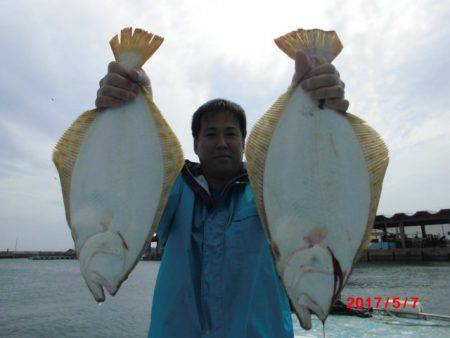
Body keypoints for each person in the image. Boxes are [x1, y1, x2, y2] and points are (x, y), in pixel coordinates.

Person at [96, 51, 348, 338]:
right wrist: (135, 99)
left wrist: (309, 98)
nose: (221, 143)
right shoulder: (174, 186)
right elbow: (137, 175)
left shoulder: (271, 191)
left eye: (231, 134)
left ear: (244, 142)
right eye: (211, 134)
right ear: (195, 143)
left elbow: (314, 178)